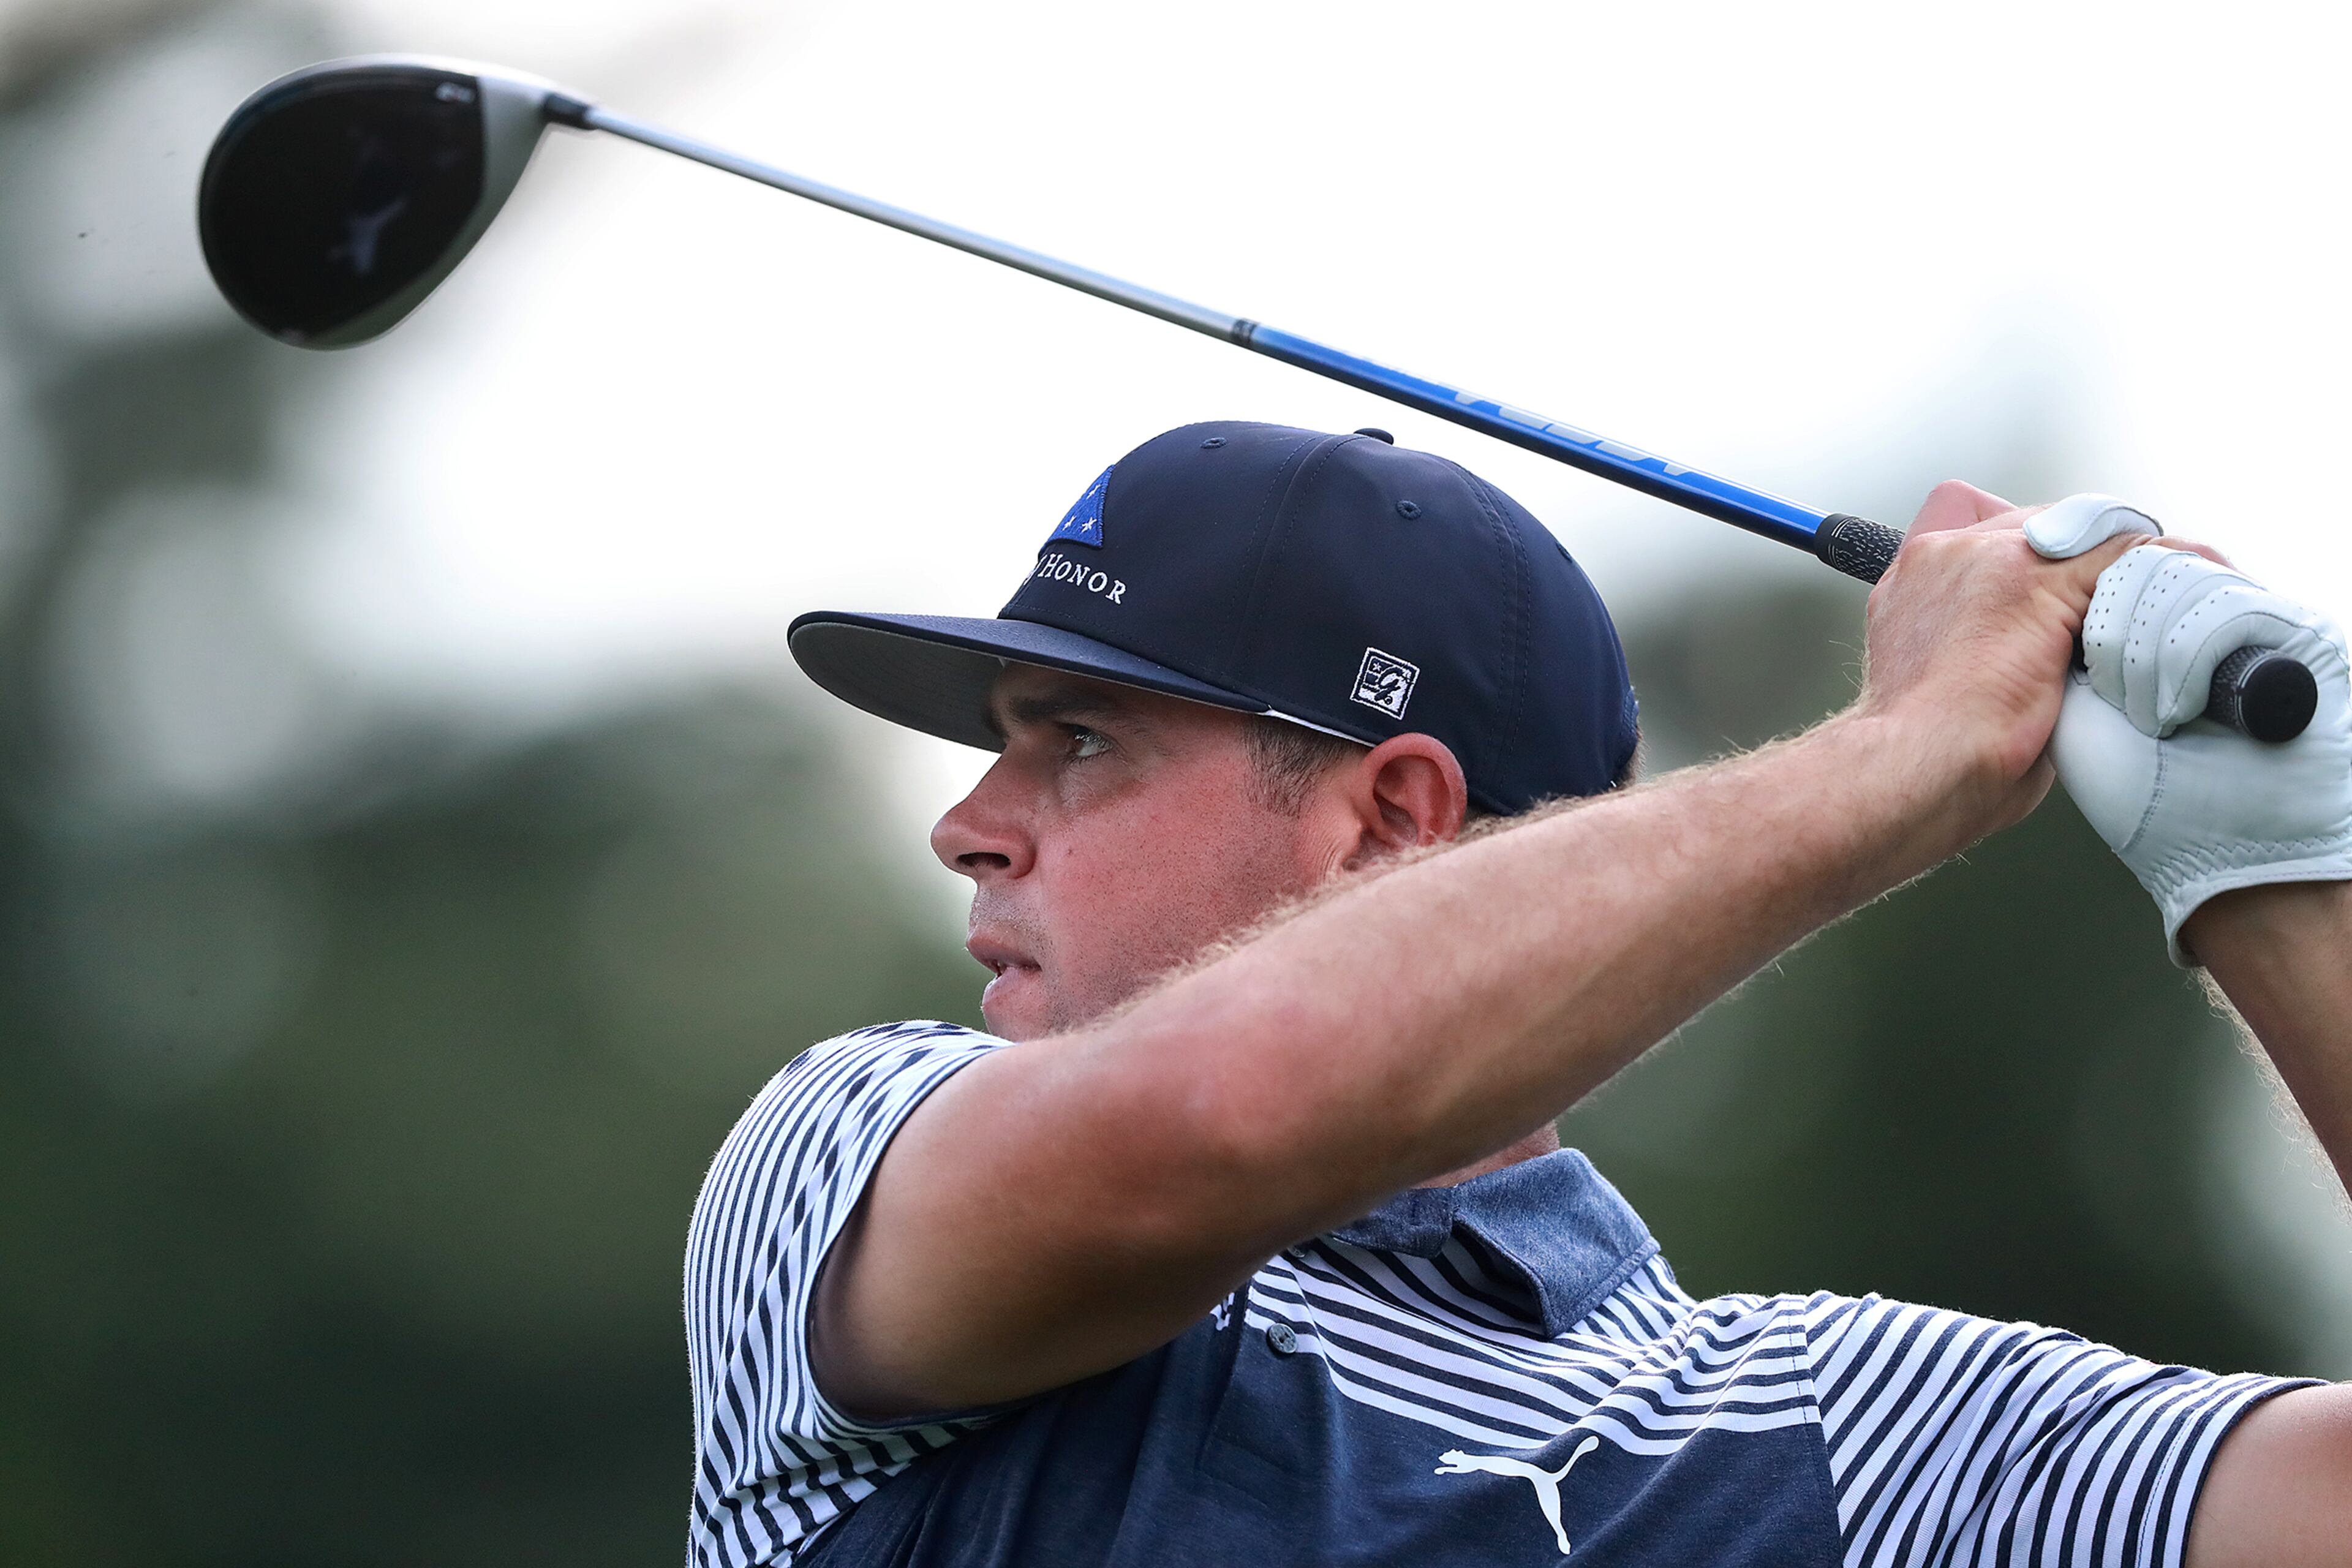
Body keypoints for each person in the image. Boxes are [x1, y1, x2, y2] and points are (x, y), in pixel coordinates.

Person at [682, 421, 2352, 1567]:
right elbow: (1209, 1120)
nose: (969, 826)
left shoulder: (1859, 1433)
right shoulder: (839, 1151)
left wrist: (2277, 870)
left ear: (1392, 822)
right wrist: (1911, 747)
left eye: (1081, 742)